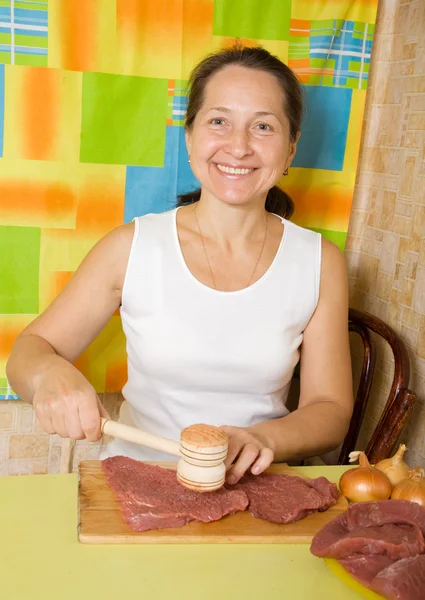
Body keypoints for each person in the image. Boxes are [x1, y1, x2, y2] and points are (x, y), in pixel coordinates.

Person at [6, 44, 353, 485]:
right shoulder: (131, 246)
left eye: (263, 126)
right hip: (137, 479)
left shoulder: (319, 261)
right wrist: (48, 372)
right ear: (190, 137)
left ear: (290, 149)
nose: (239, 146)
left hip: (255, 487)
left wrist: (262, 439)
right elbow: (28, 350)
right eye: (219, 121)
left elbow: (331, 409)